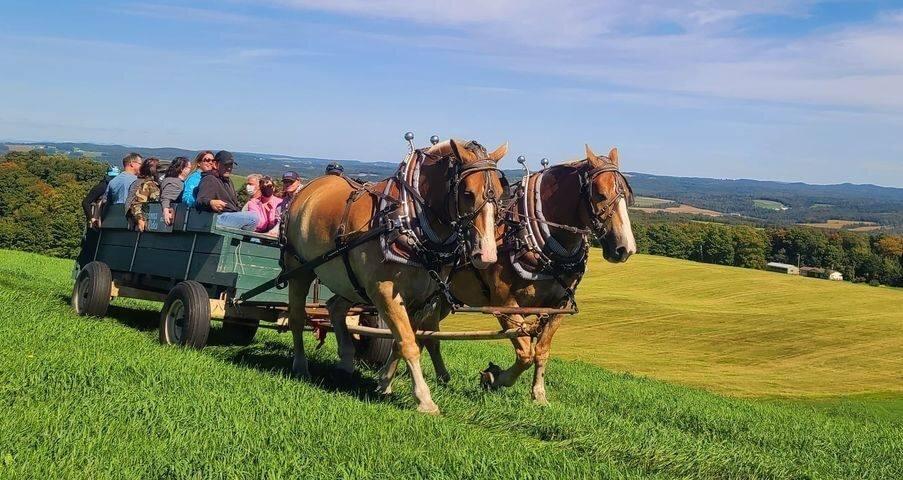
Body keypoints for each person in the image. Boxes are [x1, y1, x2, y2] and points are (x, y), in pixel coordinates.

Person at [196, 151, 259, 230]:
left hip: (228, 215)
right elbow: (200, 200)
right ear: (215, 164)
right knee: (253, 218)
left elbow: (234, 204)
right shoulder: (210, 179)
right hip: (216, 217)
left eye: (231, 165)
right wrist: (211, 202)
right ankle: (241, 240)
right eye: (225, 165)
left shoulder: (228, 181)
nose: (229, 168)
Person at [126, 157, 161, 232]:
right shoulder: (147, 184)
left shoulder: (155, 184)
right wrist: (140, 220)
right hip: (146, 224)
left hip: (154, 223)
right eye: (158, 168)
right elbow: (137, 203)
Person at [160, 156, 192, 225]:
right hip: (175, 220)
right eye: (189, 168)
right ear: (181, 169)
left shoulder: (168, 179)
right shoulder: (175, 182)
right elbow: (166, 198)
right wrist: (166, 211)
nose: (190, 170)